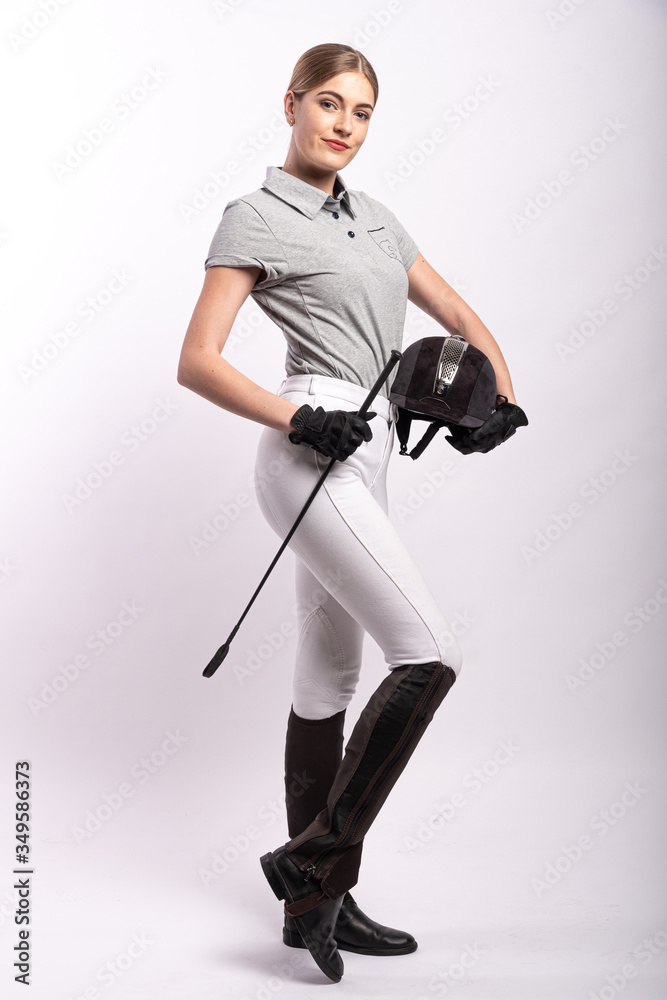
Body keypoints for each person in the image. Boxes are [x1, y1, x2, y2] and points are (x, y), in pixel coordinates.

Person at [178, 43, 527, 984]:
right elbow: (198, 360)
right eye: (328, 103)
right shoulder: (254, 215)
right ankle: (310, 862)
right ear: (290, 105)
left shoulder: (378, 220)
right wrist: (299, 414)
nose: (343, 124)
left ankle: (315, 907)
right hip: (306, 449)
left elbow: (458, 315)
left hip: (368, 453)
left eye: (362, 111)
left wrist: (497, 400)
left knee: (326, 679)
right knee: (432, 651)